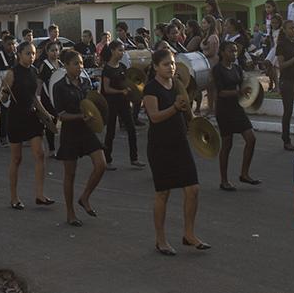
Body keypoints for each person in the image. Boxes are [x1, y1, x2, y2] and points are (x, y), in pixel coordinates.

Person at [143, 49, 208, 255]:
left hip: (180, 143)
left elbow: (188, 113)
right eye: (165, 64)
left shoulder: (177, 85)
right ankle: (160, 240)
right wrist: (174, 107)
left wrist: (197, 128)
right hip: (160, 146)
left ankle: (189, 234)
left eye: (172, 63)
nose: (170, 67)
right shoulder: (151, 88)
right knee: (163, 193)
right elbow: (154, 117)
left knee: (193, 189)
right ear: (155, 67)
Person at [52, 49, 107, 227]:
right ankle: (70, 213)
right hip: (70, 133)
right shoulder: (59, 86)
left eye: (81, 63)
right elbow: (61, 115)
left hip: (87, 130)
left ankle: (84, 197)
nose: (80, 67)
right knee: (70, 174)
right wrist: (79, 117)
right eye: (76, 64)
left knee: (101, 165)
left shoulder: (85, 82)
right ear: (66, 66)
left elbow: (92, 104)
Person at [0, 41, 55, 209]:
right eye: (27, 53)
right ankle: (14, 197)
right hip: (16, 118)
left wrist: (46, 114)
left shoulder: (34, 71)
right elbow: (4, 99)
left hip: (32, 118)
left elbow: (34, 98)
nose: (31, 57)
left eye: (33, 53)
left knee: (40, 154)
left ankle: (39, 195)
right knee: (17, 159)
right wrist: (5, 94)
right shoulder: (11, 73)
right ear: (19, 55)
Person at [210, 41, 259, 190]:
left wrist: (249, 89)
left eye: (236, 51)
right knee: (227, 145)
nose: (234, 54)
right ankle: (224, 180)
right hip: (224, 110)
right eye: (231, 51)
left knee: (251, 139)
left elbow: (243, 85)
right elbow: (221, 92)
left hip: (237, 108)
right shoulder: (217, 70)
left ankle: (244, 174)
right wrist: (239, 92)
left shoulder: (237, 68)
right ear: (222, 52)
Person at [99, 41, 143, 171]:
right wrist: (120, 92)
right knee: (111, 132)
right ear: (112, 51)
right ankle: (107, 160)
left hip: (123, 103)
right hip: (111, 103)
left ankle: (134, 159)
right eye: (119, 50)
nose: (122, 53)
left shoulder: (122, 67)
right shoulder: (107, 69)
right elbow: (106, 89)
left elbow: (127, 83)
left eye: (123, 50)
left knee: (131, 129)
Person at [276, 19, 294, 152]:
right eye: (291, 28)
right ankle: (286, 140)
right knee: (288, 111)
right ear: (285, 30)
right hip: (287, 81)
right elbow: (281, 65)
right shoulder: (281, 45)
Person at [36, 40, 62, 156]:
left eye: (57, 50)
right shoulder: (44, 65)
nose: (55, 53)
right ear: (47, 52)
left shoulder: (61, 64)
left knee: (56, 120)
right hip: (47, 97)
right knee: (50, 122)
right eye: (52, 50)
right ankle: (51, 150)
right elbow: (40, 82)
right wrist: (38, 97)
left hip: (57, 98)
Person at [0, 35, 15, 145]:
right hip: (2, 82)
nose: (11, 46)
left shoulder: (16, 56)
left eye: (13, 44)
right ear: (4, 44)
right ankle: (3, 136)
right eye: (9, 44)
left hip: (13, 82)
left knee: (14, 110)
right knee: (4, 110)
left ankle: (14, 134)